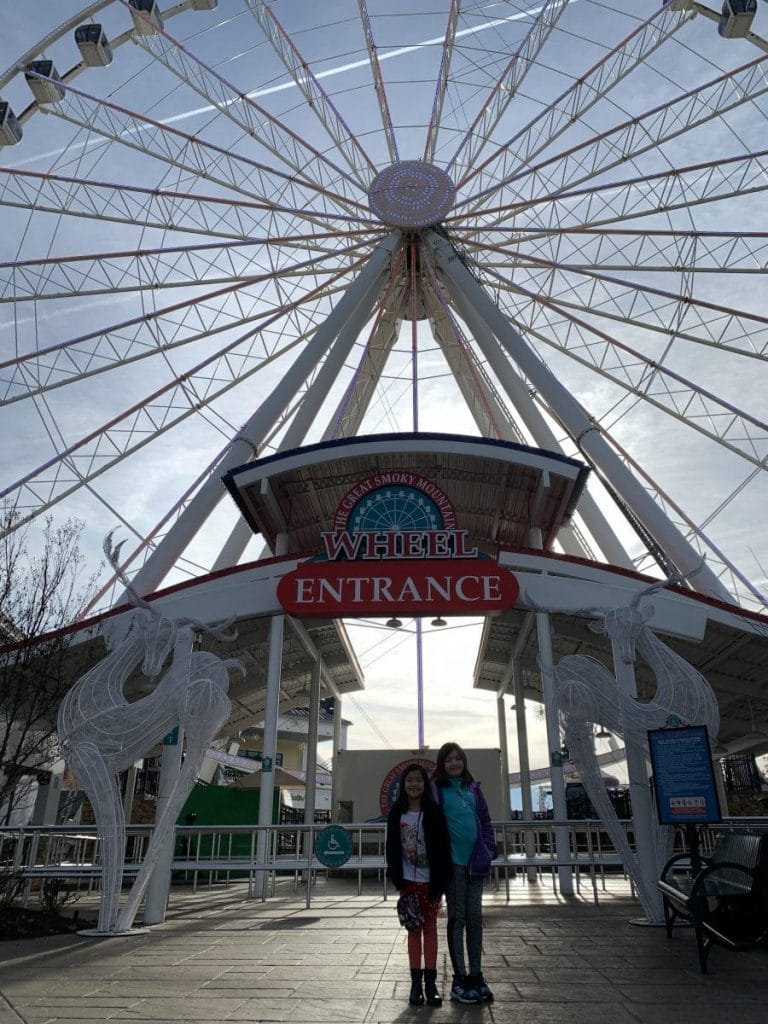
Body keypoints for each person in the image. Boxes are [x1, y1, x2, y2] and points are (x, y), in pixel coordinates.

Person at [432, 742, 498, 1004]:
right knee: (457, 918)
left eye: (458, 758)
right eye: (449, 759)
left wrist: (489, 850)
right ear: (442, 764)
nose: (454, 763)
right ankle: (459, 978)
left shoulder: (473, 789)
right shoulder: (437, 790)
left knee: (474, 918)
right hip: (453, 865)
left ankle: (476, 974)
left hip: (476, 863)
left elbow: (485, 820)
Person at [385, 763, 452, 1007]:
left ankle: (431, 984)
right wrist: (396, 877)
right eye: (409, 780)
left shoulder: (434, 812)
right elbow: (391, 847)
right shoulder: (397, 813)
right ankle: (415, 984)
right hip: (408, 882)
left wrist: (440, 881)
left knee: (431, 928)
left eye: (419, 780)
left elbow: (443, 848)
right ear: (403, 785)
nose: (414, 785)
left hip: (430, 881)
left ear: (425, 784)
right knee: (413, 930)